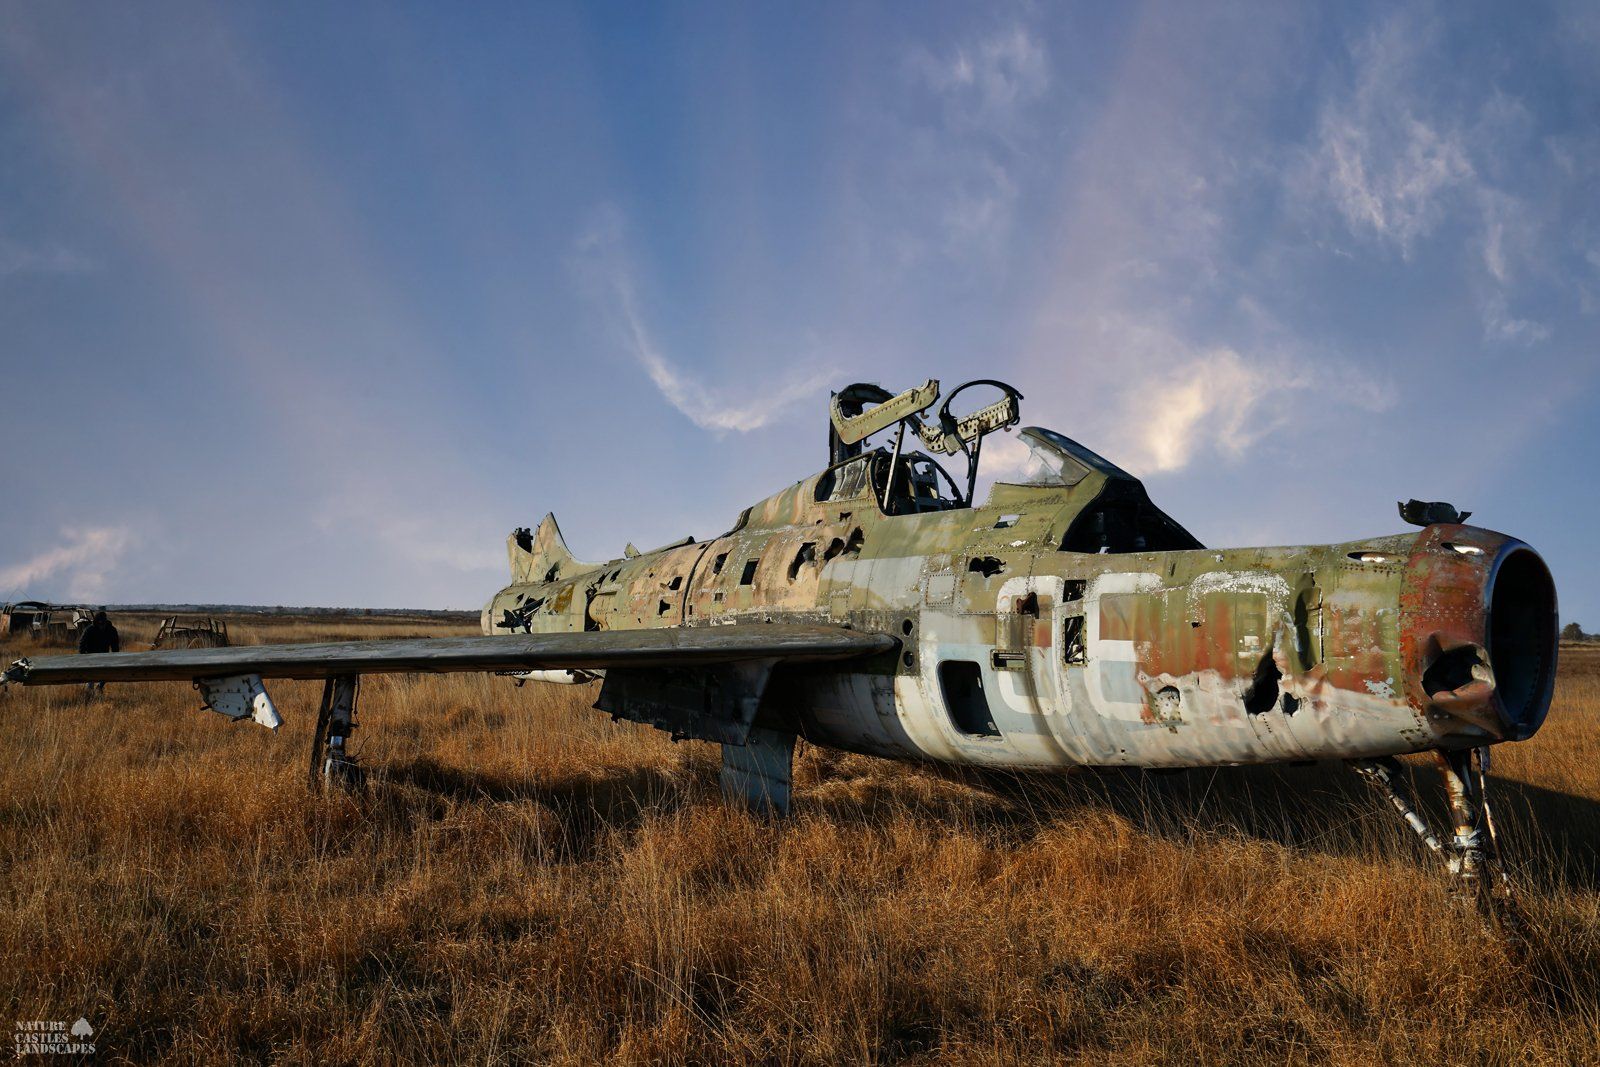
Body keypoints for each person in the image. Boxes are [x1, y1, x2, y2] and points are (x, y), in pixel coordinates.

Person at [77, 610, 120, 697]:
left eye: (103, 623)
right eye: (99, 623)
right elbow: (82, 643)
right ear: (96, 622)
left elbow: (115, 644)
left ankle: (99, 687)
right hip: (91, 656)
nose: (101, 625)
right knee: (91, 675)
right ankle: (89, 691)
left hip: (105, 655)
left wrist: (115, 657)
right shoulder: (89, 630)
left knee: (108, 672)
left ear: (106, 622)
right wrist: (83, 656)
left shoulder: (111, 630)